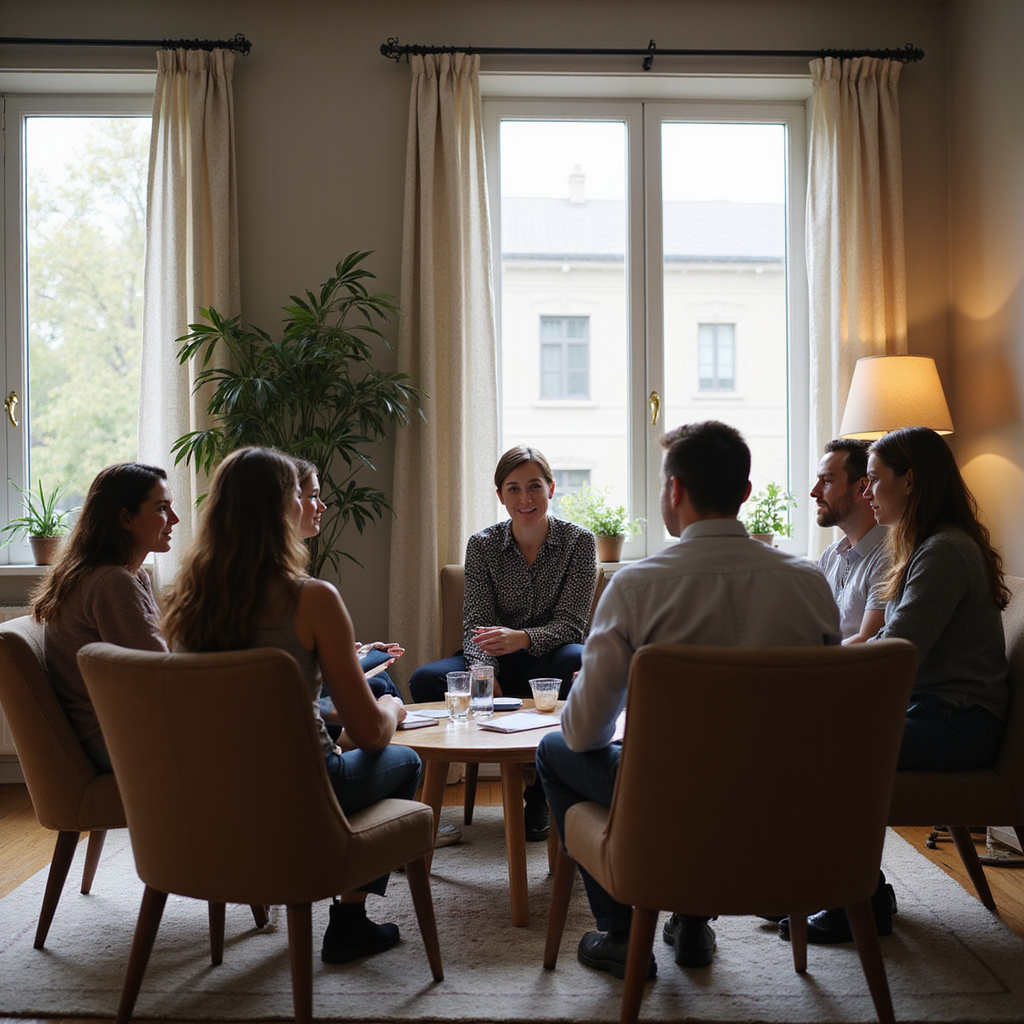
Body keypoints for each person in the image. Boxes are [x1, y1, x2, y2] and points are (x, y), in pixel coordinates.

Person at [536, 421, 841, 979]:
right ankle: (692, 921)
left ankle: (623, 934)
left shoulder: (636, 587)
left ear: (674, 490)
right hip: (783, 804)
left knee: (555, 750)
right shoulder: (809, 583)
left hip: (670, 804)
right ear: (744, 492)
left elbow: (583, 735)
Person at [162, 447, 422, 964]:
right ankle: (348, 920)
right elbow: (370, 735)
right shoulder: (312, 599)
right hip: (299, 795)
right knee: (405, 759)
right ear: (281, 509)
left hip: (209, 797)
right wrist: (392, 710)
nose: (314, 505)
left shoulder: (186, 602)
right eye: (304, 496)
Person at [779, 425, 1010, 946]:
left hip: (958, 721)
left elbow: (898, 650)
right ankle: (845, 889)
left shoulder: (943, 551)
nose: (867, 492)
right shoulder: (927, 545)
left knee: (818, 746)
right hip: (937, 711)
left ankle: (855, 896)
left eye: (875, 479)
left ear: (911, 481)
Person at [407, 445, 598, 840]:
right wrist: (483, 671)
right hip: (491, 659)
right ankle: (432, 798)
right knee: (427, 680)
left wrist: (521, 638)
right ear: (500, 495)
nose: (525, 498)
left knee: (579, 662)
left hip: (550, 662)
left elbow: (572, 626)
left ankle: (540, 795)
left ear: (551, 488)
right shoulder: (482, 545)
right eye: (513, 489)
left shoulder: (579, 542)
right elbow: (476, 623)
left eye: (534, 486)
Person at [31, 463, 178, 773]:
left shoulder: (125, 575)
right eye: (162, 509)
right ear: (126, 518)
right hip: (113, 741)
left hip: (112, 732)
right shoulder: (111, 582)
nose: (174, 519)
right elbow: (158, 674)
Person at [811, 438, 889, 642]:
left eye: (827, 481)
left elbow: (868, 640)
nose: (814, 492)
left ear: (862, 488)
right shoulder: (831, 555)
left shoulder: (889, 556)